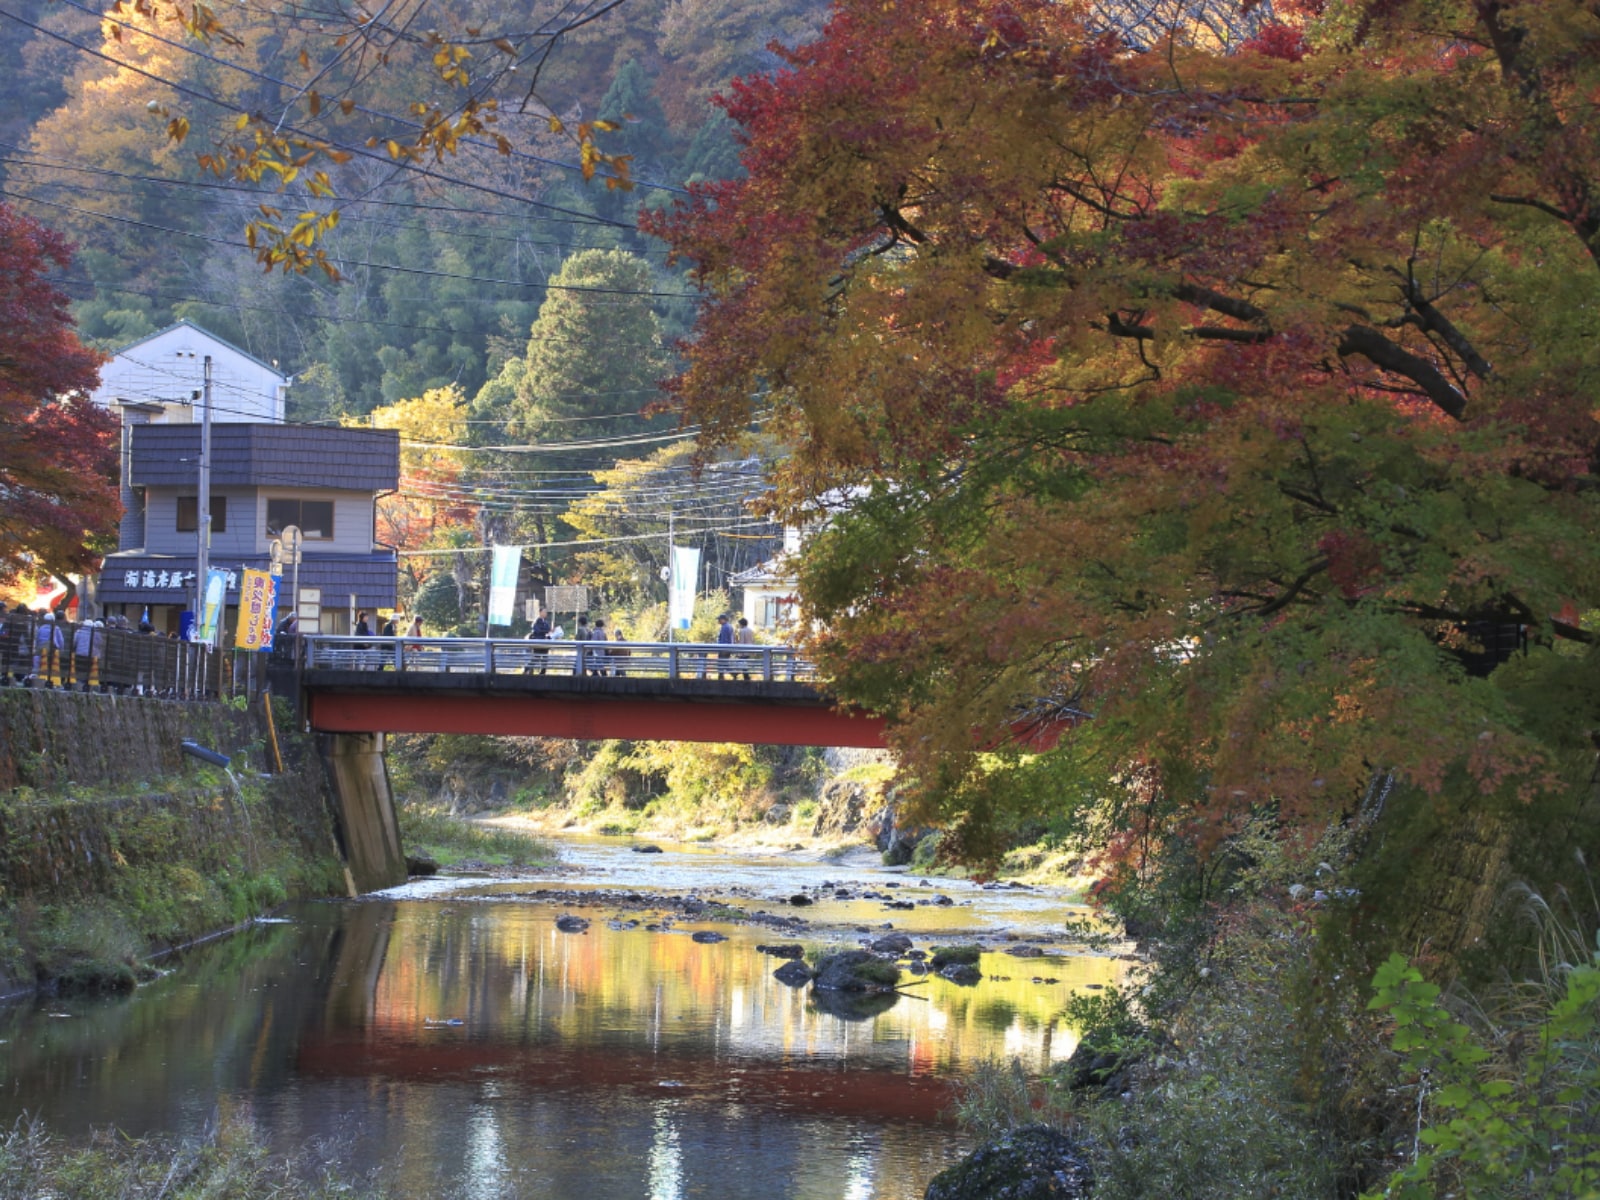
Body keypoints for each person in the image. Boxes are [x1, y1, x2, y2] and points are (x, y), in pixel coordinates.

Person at [32, 611, 64, 685]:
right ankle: (50, 679)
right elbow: (61, 640)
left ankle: (36, 675)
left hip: (41, 648)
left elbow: (37, 638)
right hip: (52, 649)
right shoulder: (56, 628)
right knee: (51, 664)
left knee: (39, 661)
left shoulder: (41, 628)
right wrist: (61, 649)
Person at [525, 606, 551, 674]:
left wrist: (549, 632)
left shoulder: (545, 621)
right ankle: (527, 669)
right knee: (536, 657)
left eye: (546, 612)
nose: (545, 613)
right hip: (538, 642)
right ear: (540, 612)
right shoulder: (537, 621)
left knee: (544, 657)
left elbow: (548, 629)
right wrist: (546, 631)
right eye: (544, 612)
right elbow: (538, 630)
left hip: (545, 642)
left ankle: (542, 672)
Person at [715, 612, 734, 679]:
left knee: (722, 663)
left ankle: (730, 674)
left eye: (719, 619)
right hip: (728, 648)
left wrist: (720, 647)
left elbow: (724, 639)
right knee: (724, 662)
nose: (718, 621)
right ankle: (722, 675)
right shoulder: (729, 626)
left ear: (723, 619)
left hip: (724, 648)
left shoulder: (725, 627)